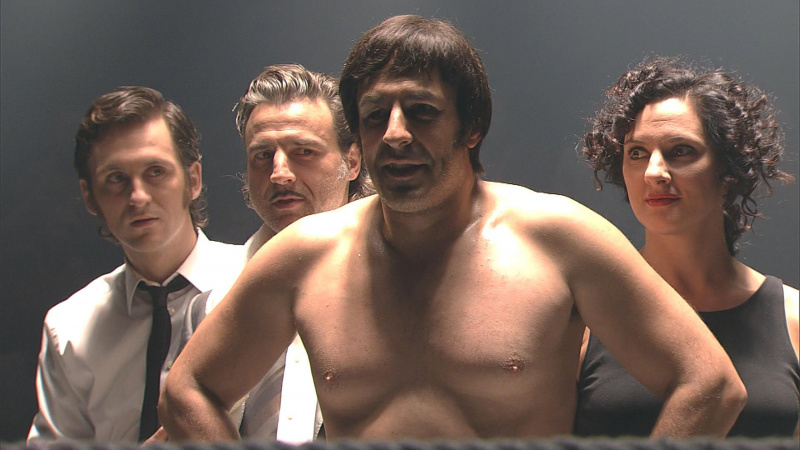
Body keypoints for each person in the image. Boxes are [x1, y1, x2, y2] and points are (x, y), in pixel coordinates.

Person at [160, 15, 746, 440]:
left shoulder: (558, 238)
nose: (394, 133)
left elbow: (711, 384)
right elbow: (187, 391)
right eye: (374, 116)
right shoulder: (305, 256)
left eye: (421, 111)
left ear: (470, 126)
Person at [575, 56, 799, 437]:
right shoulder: (585, 318)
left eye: (680, 151)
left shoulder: (792, 320)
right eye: (636, 153)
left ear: (728, 171)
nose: (654, 172)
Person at [27, 86, 244, 443]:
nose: (138, 196)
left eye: (155, 171)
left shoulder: (256, 282)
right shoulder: (68, 327)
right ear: (89, 197)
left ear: (193, 180)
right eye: (116, 179)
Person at [179, 64, 373, 443]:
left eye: (303, 151)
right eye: (263, 155)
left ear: (352, 161)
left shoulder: (401, 279)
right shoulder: (209, 299)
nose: (280, 173)